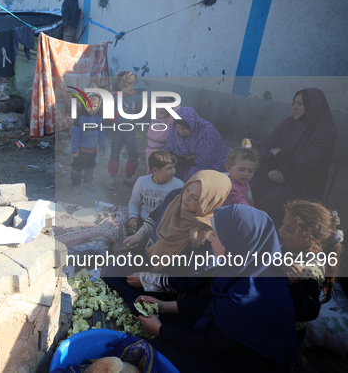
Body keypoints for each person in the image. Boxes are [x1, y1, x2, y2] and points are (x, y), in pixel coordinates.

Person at [135, 204, 297, 372]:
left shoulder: (245, 296)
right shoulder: (247, 265)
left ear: (235, 241)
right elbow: (206, 300)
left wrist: (160, 330)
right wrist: (164, 306)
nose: (209, 238)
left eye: (215, 234)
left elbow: (208, 345)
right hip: (224, 343)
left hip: (245, 362)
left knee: (148, 349)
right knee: (164, 322)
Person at [103, 170, 230, 311]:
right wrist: (140, 235)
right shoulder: (175, 196)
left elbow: (190, 280)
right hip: (148, 259)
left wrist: (147, 280)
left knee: (144, 305)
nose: (186, 197)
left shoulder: (208, 238)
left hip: (168, 283)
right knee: (112, 269)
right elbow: (156, 215)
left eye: (195, 197)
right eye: (187, 189)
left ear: (210, 202)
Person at [251, 88, 337, 227]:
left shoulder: (326, 132)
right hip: (276, 177)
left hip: (301, 187)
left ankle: (267, 239)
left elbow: (308, 161)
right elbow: (264, 145)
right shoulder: (289, 123)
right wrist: (271, 169)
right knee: (248, 186)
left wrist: (279, 154)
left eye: (300, 104)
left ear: (313, 106)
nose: (294, 107)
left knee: (272, 199)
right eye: (294, 103)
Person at [279, 200, 344, 368]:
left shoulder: (306, 271)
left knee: (291, 356)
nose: (280, 230)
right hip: (290, 325)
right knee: (296, 352)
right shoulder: (294, 247)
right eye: (282, 224)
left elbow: (308, 310)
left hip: (290, 328)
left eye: (289, 229)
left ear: (311, 238)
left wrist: (294, 286)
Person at [164, 107, 229, 182]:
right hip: (185, 161)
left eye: (184, 128)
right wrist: (177, 160)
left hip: (211, 163)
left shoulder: (207, 131)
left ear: (191, 124)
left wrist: (181, 161)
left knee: (194, 176)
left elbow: (205, 159)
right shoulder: (174, 129)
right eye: (178, 127)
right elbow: (169, 149)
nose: (180, 131)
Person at [127, 149, 184, 233]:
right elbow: (134, 202)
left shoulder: (178, 185)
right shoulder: (142, 181)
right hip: (143, 221)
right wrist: (133, 217)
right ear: (155, 171)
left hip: (164, 225)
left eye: (174, 167)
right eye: (169, 168)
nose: (173, 172)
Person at [107, 71, 142, 190]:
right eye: (130, 84)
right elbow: (112, 116)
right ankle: (112, 179)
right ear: (121, 85)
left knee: (134, 154)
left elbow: (137, 110)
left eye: (133, 84)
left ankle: (128, 178)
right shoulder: (114, 97)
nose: (132, 87)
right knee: (115, 154)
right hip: (118, 133)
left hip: (130, 132)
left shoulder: (135, 96)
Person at [70, 93, 106, 193]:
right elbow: (74, 135)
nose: (92, 108)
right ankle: (76, 184)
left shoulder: (99, 118)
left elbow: (102, 134)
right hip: (81, 150)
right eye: (89, 105)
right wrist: (74, 149)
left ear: (98, 106)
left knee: (90, 168)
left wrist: (102, 148)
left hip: (93, 149)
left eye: (94, 106)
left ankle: (88, 182)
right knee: (77, 168)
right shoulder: (80, 118)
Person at [145, 103, 177, 174]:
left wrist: (175, 101)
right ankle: (150, 181)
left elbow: (176, 111)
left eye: (161, 113)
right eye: (157, 111)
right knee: (150, 167)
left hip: (160, 150)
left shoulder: (168, 120)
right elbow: (156, 99)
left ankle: (159, 182)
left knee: (159, 168)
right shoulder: (155, 116)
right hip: (149, 148)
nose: (158, 114)